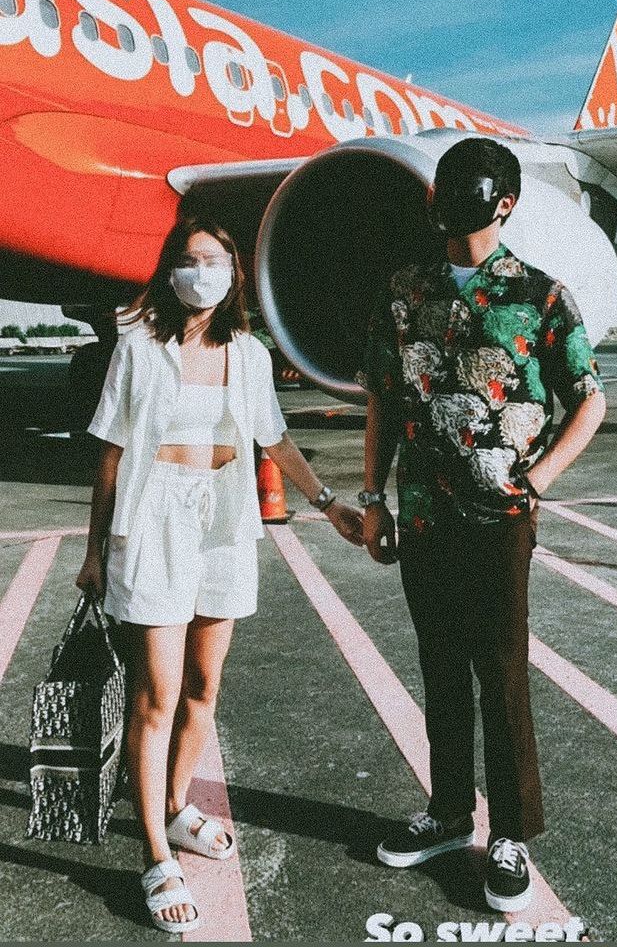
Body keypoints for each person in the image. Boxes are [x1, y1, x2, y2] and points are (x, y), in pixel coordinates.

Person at [76, 214, 363, 935]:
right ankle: (152, 855)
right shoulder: (138, 347)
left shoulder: (250, 352)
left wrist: (329, 506)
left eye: (213, 259)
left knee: (204, 687)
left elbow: (277, 439)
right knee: (156, 697)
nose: (199, 270)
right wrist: (91, 552)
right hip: (153, 523)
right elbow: (109, 452)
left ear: (235, 272)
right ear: (170, 272)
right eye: (186, 258)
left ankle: (175, 808)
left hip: (224, 526)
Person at [356, 136, 606, 913]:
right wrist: (372, 499)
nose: (452, 198)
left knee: (498, 672)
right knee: (439, 668)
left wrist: (536, 480)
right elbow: (384, 401)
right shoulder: (405, 290)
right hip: (426, 515)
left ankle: (510, 834)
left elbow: (588, 397)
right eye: (446, 184)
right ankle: (449, 813)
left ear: (505, 202)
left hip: (500, 518)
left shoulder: (540, 295)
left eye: (471, 186)